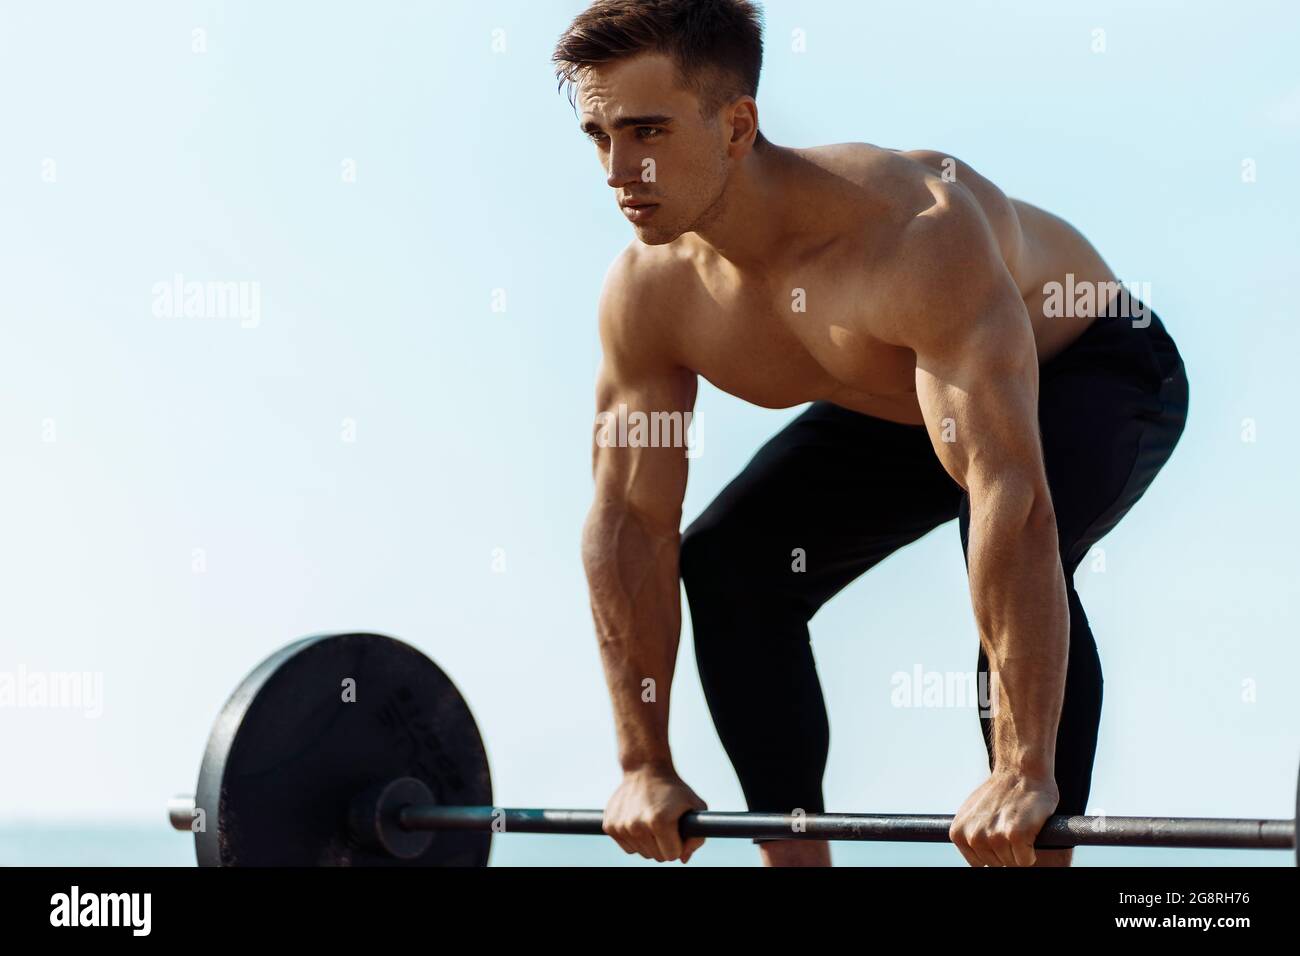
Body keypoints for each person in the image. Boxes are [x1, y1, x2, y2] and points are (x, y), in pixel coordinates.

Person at [557, 0, 1189, 867]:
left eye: (648, 131)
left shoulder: (914, 230)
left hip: (1088, 370)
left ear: (737, 124)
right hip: (895, 408)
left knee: (995, 535)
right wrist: (644, 764)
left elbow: (1010, 493)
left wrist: (1023, 771)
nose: (618, 168)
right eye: (598, 135)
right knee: (733, 565)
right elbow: (629, 521)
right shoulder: (650, 294)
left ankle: (1035, 844)